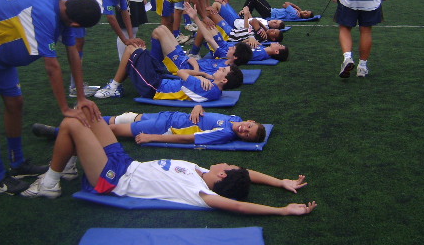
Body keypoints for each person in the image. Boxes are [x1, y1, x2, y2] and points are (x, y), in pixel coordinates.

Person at [0, 0, 103, 195]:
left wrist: (81, 97)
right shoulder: (45, 13)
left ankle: (18, 163)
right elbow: (52, 67)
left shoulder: (64, 8)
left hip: (0, 52)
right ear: (76, 24)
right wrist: (65, 109)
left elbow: (73, 54)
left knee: (16, 103)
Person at [22, 113, 317, 218]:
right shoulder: (204, 174)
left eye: (228, 164)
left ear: (222, 174)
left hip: (113, 179)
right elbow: (247, 174)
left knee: (72, 124)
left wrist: (282, 210)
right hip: (126, 163)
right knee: (90, 114)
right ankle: (69, 165)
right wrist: (281, 182)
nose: (226, 161)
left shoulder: (200, 193)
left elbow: (238, 206)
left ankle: (50, 183)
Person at [61, 0, 143, 97]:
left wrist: (131, 38)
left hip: (77, 2)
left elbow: (124, 12)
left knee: (79, 43)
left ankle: (76, 85)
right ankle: (75, 88)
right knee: (77, 45)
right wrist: (125, 40)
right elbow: (111, 18)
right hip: (70, 2)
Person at [32, 104, 267, 146]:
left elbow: (188, 138)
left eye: (247, 135)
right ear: (250, 121)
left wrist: (152, 137)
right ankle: (73, 124)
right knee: (118, 118)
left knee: (111, 130)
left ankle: (60, 134)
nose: (244, 130)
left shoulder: (224, 134)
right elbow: (206, 115)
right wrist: (198, 107)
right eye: (249, 127)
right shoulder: (234, 119)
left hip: (162, 128)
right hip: (167, 115)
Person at [93, 40, 243, 101]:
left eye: (223, 70)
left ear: (224, 80)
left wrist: (201, 75)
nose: (220, 68)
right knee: (141, 50)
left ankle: (114, 87)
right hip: (160, 81)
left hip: (154, 88)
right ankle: (117, 84)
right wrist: (203, 75)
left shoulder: (207, 86)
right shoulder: (213, 88)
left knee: (132, 49)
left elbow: (181, 72)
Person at [243, 0, 314, 20]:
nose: (305, 12)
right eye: (306, 11)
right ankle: (247, 14)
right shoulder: (296, 13)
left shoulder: (295, 14)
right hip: (270, 10)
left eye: (306, 14)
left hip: (269, 13)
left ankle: (244, 14)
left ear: (305, 18)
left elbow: (286, 3)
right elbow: (284, 5)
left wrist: (298, 8)